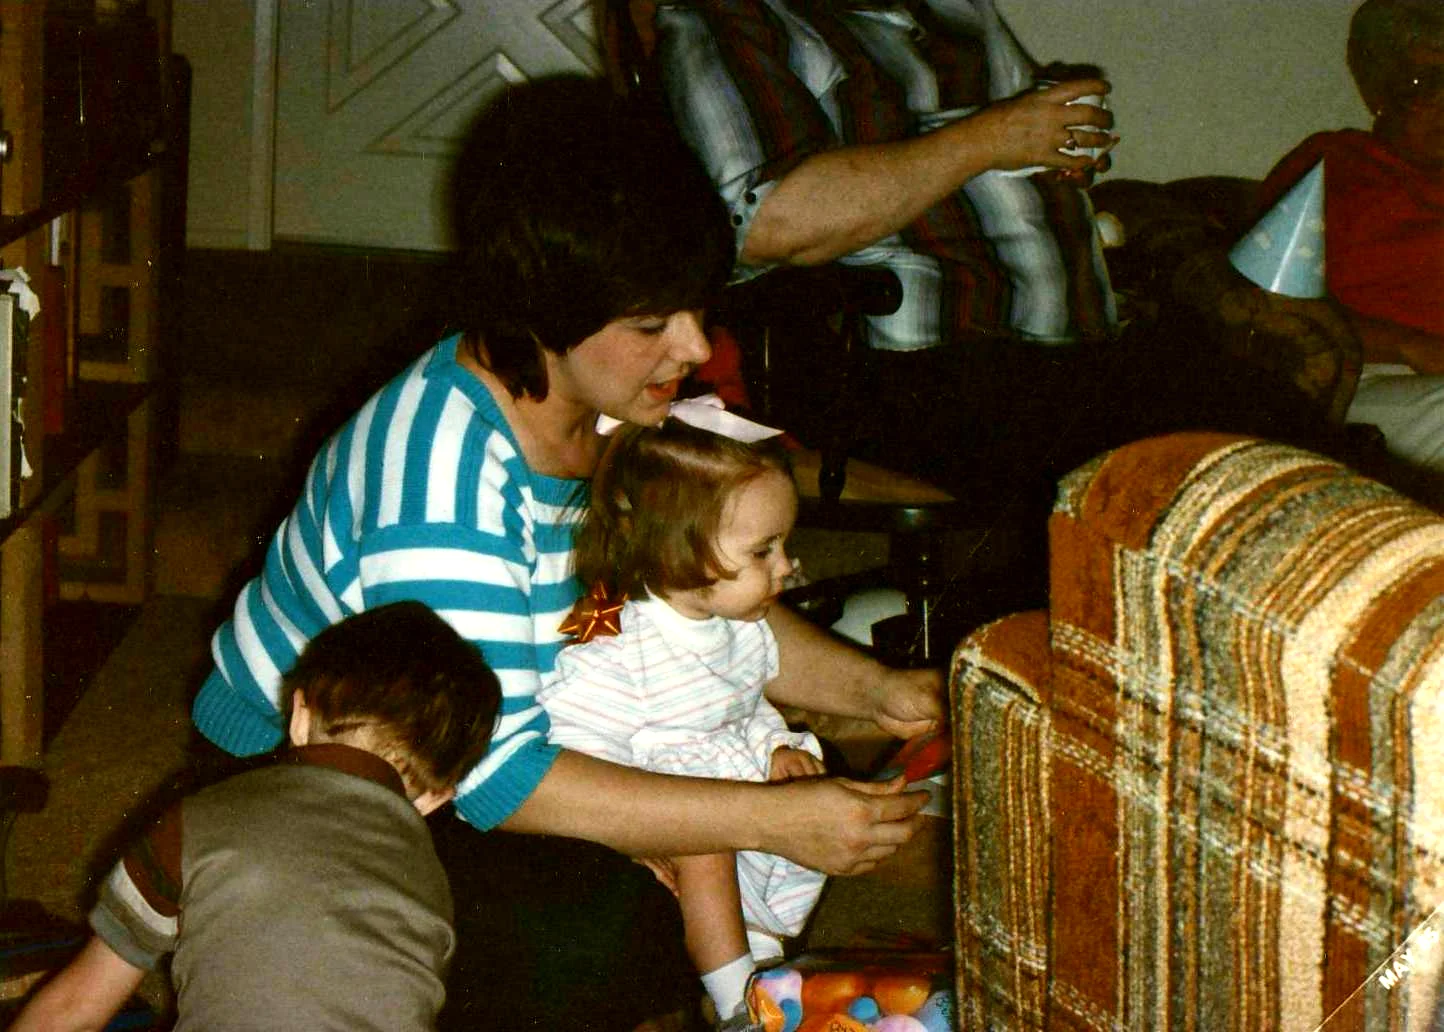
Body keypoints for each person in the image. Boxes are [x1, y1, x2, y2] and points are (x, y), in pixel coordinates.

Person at [187, 75, 942, 1031]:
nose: (695, 345)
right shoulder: (445, 487)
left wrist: (875, 692)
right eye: (651, 324)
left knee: (756, 783)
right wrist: (765, 819)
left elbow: (691, 599)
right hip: (326, 774)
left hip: (519, 718)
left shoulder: (610, 409)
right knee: (612, 925)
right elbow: (496, 776)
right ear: (543, 315)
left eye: (694, 308)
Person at [651, 0, 1120, 497]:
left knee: (1173, 385)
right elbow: (766, 224)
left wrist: (1059, 139)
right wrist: (989, 139)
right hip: (911, 369)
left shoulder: (958, 9)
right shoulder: (728, 17)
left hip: (1077, 349)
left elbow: (1012, 132)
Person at [11, 601, 499, 1032]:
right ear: (436, 798)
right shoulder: (434, 890)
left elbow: (76, 1009)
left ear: (299, 716)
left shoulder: (200, 817)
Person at [540, 408, 833, 1029]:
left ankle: (761, 951)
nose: (787, 566)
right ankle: (735, 1000)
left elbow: (747, 702)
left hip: (725, 778)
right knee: (708, 842)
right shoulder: (619, 643)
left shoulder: (742, 626)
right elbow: (574, 743)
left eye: (782, 545)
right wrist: (630, 837)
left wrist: (775, 745)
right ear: (680, 548)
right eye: (763, 550)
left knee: (803, 792)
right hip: (655, 804)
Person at [1256, 0, 1444, 481]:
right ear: (1379, 90)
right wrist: (1406, 345)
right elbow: (1256, 305)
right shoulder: (1333, 165)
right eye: (1423, 83)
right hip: (1364, 377)